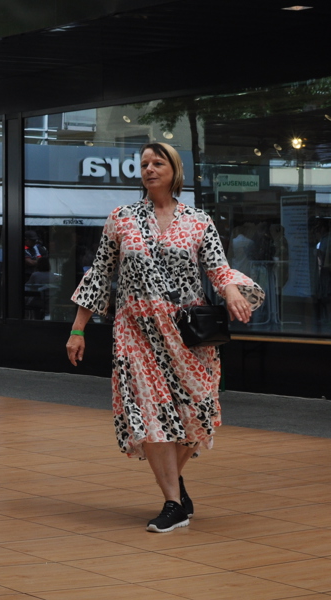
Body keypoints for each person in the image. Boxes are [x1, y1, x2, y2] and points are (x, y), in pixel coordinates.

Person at [66, 142, 265, 533]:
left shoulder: (198, 221)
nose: (149, 169)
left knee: (198, 412)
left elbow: (219, 269)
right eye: (144, 164)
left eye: (157, 163)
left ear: (174, 169)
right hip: (135, 333)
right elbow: (99, 275)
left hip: (188, 335)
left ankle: (175, 484)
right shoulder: (121, 219)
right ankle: (173, 502)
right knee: (149, 415)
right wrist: (78, 328)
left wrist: (231, 291)